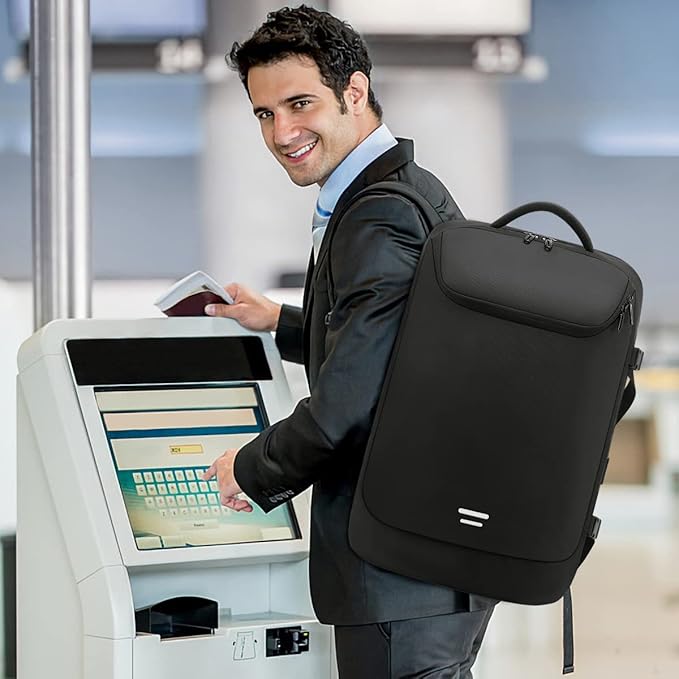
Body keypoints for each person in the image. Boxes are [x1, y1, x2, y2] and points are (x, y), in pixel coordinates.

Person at [202, 5, 495, 677]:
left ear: (354, 91)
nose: (282, 132)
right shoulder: (409, 188)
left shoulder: (375, 215)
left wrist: (250, 468)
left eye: (299, 103)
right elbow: (396, 343)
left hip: (397, 564)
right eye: (264, 113)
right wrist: (281, 320)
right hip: (435, 557)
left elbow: (345, 408)